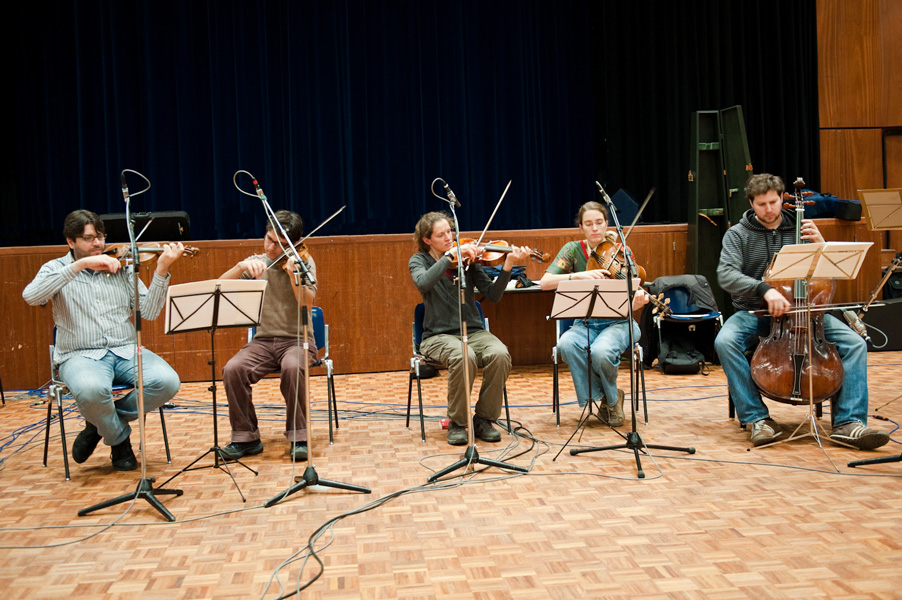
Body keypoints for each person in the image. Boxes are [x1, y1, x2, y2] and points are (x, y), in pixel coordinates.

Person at [714, 173, 889, 450]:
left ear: (783, 199)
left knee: (855, 344)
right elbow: (726, 275)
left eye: (773, 202)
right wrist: (763, 289)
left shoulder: (802, 227)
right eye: (761, 204)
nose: (769, 209)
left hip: (806, 313)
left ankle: (849, 423)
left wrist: (822, 245)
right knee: (724, 341)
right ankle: (758, 418)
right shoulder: (738, 234)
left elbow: (831, 274)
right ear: (751, 203)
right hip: (756, 313)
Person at [23, 210, 185, 471]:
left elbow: (151, 312)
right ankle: (119, 441)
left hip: (125, 349)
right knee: (91, 391)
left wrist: (162, 270)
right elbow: (31, 296)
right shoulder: (55, 269)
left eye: (100, 237)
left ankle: (98, 424)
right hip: (79, 354)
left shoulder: (120, 268)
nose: (97, 244)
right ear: (70, 242)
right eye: (88, 238)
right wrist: (79, 266)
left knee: (167, 382)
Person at [409, 211, 530, 445]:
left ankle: (484, 419)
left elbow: (493, 296)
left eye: (450, 232)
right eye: (441, 235)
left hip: (473, 331)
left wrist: (508, 265)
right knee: (464, 355)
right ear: (427, 240)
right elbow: (423, 282)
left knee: (500, 354)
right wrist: (450, 256)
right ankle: (457, 421)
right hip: (438, 335)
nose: (448, 238)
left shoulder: (469, 262)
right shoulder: (419, 261)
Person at [539, 201, 649, 425]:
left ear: (607, 224)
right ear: (581, 227)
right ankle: (611, 399)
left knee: (601, 351)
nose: (595, 228)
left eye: (599, 222)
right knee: (566, 344)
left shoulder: (622, 251)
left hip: (619, 323)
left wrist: (637, 304)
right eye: (588, 224)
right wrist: (576, 276)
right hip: (585, 323)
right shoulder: (572, 250)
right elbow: (545, 282)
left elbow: (633, 289)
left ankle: (608, 403)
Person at [219, 210, 317, 462]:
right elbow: (219, 287)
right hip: (263, 341)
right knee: (233, 369)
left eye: (281, 244)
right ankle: (246, 437)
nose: (272, 247)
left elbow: (307, 304)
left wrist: (294, 275)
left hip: (297, 340)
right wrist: (240, 266)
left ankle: (299, 437)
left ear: (294, 243)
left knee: (293, 367)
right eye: (269, 240)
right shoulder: (257, 263)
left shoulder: (303, 263)